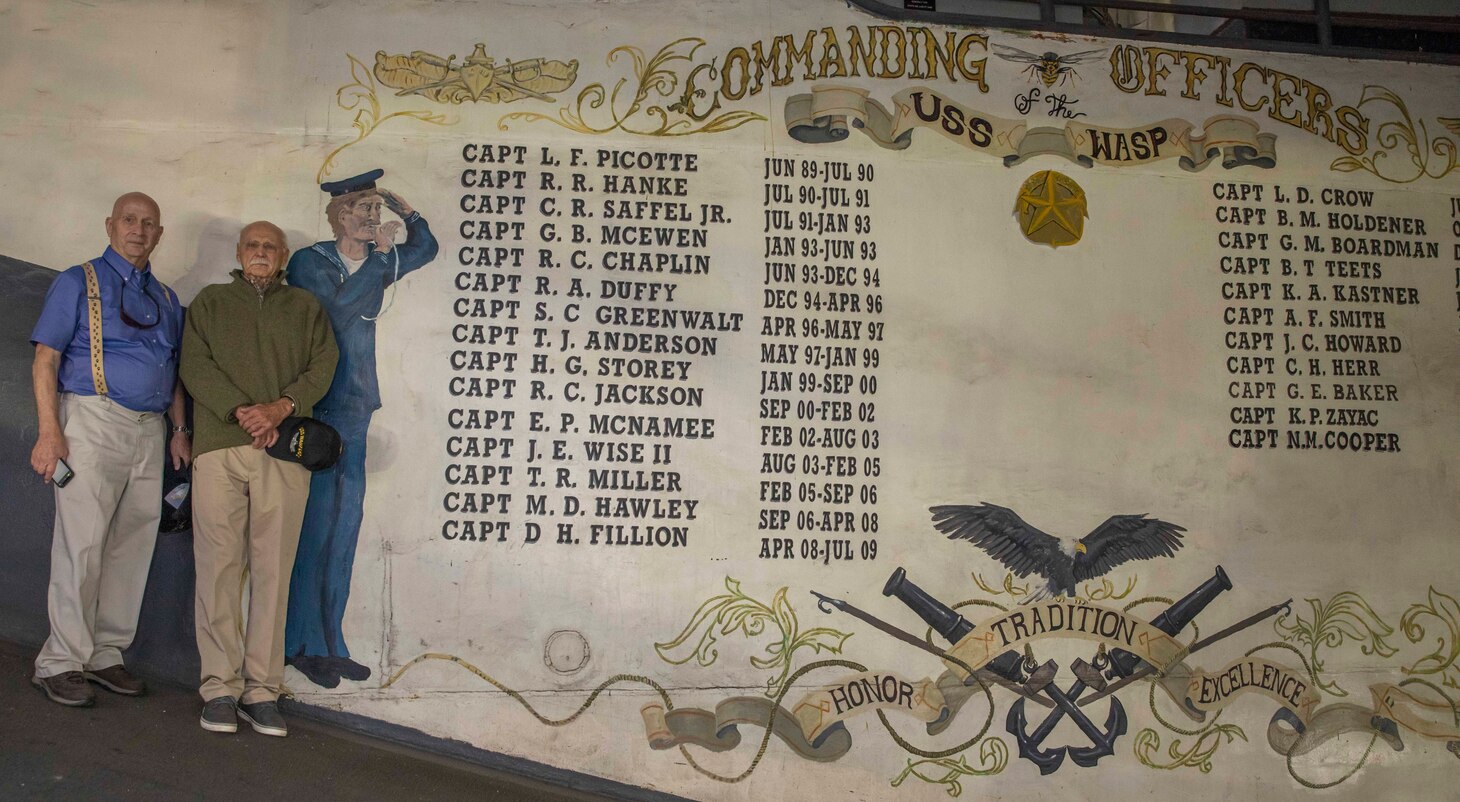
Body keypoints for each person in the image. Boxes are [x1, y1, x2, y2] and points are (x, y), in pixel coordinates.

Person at [28, 192, 191, 707]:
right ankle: (60, 662)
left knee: (132, 546)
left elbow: (173, 372)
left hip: (150, 431)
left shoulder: (166, 298)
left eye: (149, 223)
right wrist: (49, 432)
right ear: (110, 225)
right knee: (81, 544)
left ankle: (105, 655)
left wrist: (180, 430)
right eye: (129, 220)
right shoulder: (77, 281)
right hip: (93, 422)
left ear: (159, 234)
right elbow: (45, 360)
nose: (139, 230)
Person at [180, 221, 338, 735]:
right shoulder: (210, 302)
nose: (262, 253)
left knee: (273, 572)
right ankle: (219, 689)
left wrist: (280, 407)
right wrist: (241, 410)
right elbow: (193, 365)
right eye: (254, 245)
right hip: (219, 448)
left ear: (284, 255)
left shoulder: (306, 308)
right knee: (218, 569)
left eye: (271, 246)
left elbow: (323, 365)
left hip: (283, 453)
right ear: (239, 252)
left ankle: (262, 691)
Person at [285, 168, 438, 688]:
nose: (372, 217)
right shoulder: (311, 261)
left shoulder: (379, 261)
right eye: (361, 208)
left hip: (356, 406)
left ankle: (332, 643)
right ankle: (301, 643)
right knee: (316, 525)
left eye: (376, 208)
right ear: (337, 214)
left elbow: (428, 248)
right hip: (319, 403)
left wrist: (408, 210)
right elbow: (337, 308)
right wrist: (378, 259)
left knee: (345, 527)